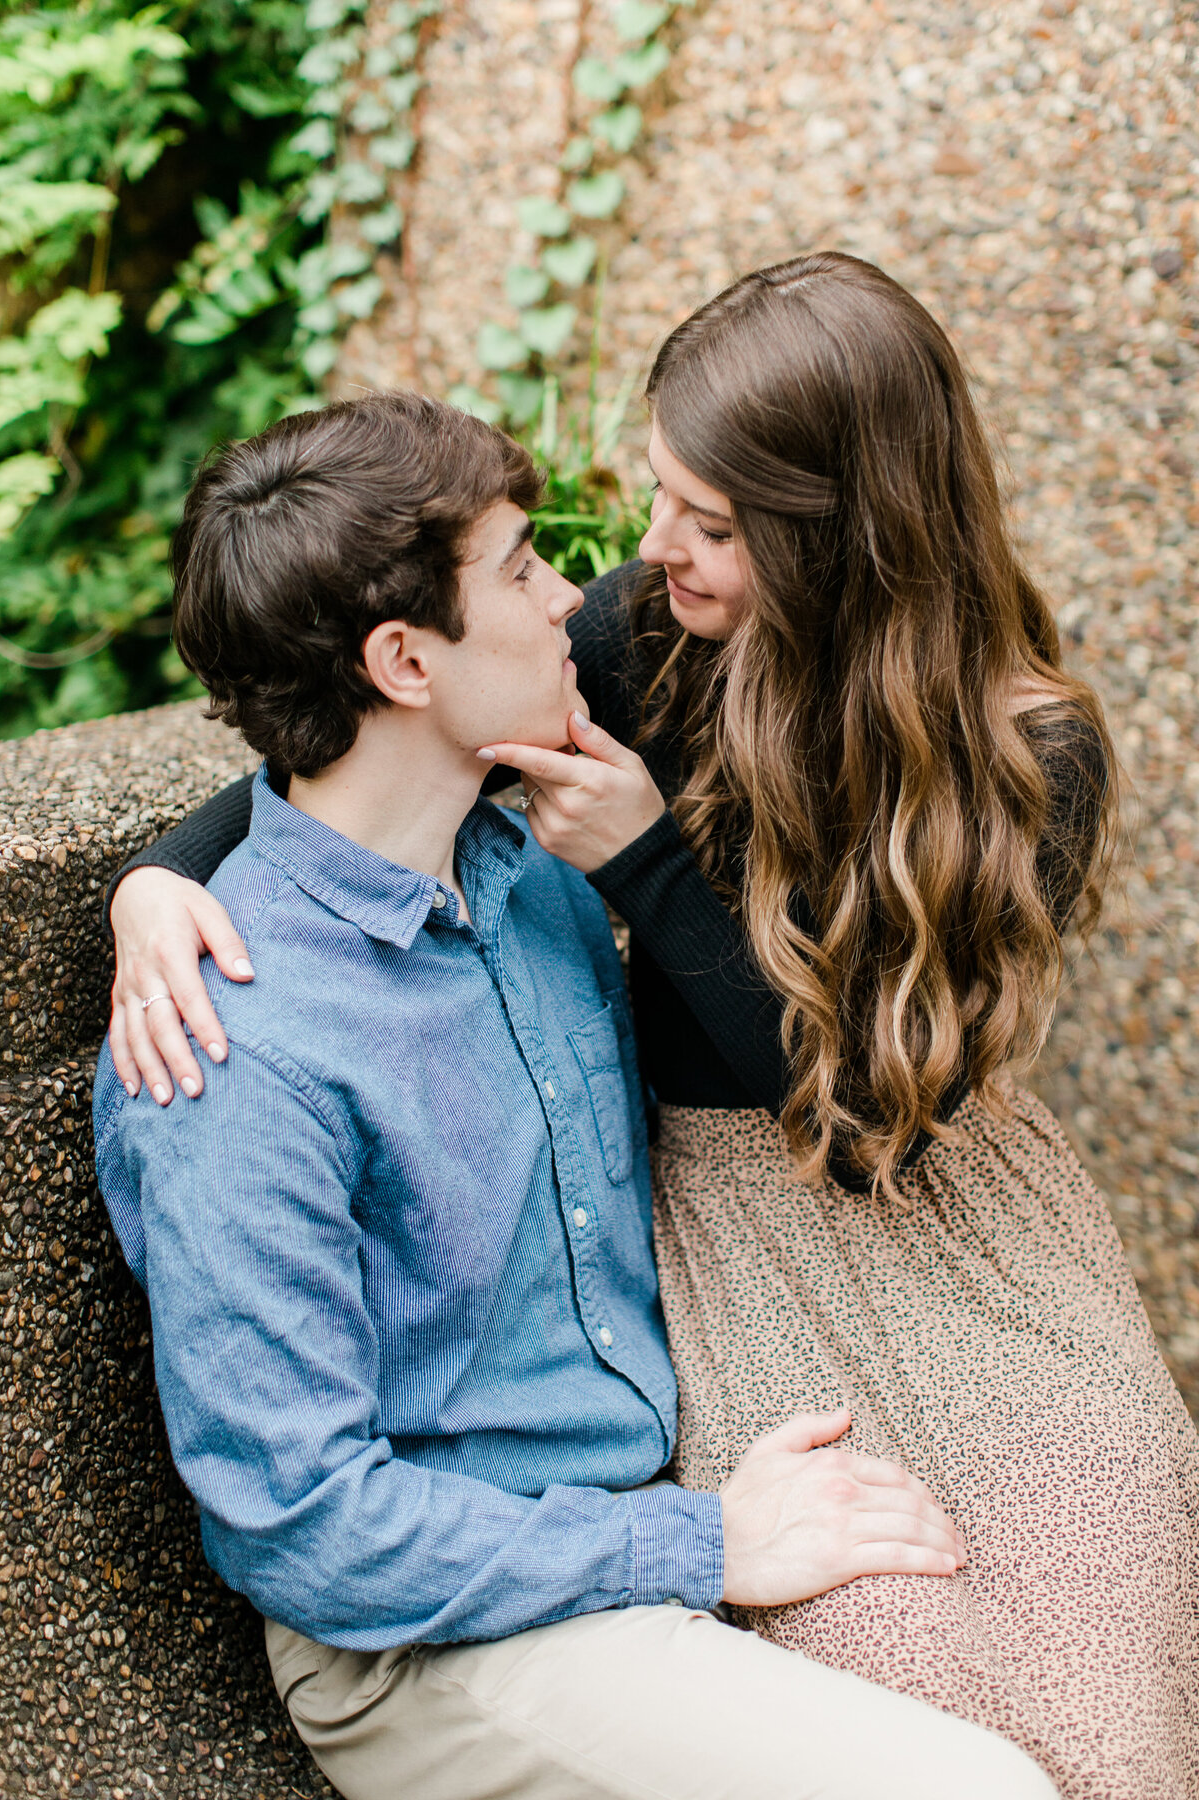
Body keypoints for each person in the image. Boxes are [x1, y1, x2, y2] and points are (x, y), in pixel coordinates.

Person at [104, 257, 1199, 1796]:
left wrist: (645, 865)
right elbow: (344, 730)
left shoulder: (1026, 752)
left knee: (1124, 1584)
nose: (627, 559)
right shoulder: (645, 645)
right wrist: (156, 884)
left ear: (840, 538)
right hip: (724, 1251)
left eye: (713, 522)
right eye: (650, 501)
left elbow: (868, 1111)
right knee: (922, 1663)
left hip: (923, 1194)